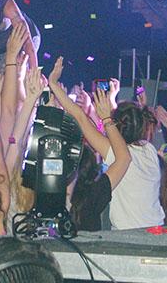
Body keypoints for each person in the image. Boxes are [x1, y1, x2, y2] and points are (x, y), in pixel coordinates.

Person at [47, 58, 132, 231]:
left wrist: (53, 85)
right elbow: (124, 158)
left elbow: (81, 120)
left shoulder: (43, 197)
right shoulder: (92, 196)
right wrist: (107, 116)